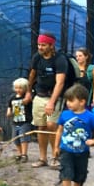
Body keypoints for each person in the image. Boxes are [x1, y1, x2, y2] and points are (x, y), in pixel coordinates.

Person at [53, 84, 94, 186]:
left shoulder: (90, 116)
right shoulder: (65, 114)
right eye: (67, 100)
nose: (68, 103)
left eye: (71, 100)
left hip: (82, 152)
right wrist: (56, 146)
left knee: (79, 175)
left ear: (82, 101)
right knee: (66, 173)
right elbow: (59, 131)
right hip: (66, 150)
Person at [24, 32, 68, 168]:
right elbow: (32, 75)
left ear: (51, 45)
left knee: (52, 126)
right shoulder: (37, 57)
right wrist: (28, 92)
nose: (40, 47)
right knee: (41, 127)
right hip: (39, 95)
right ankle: (42, 158)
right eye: (39, 44)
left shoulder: (60, 59)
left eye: (43, 45)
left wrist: (51, 102)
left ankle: (55, 156)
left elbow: (60, 83)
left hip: (55, 97)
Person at [6, 77, 33, 162]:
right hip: (15, 121)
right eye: (16, 88)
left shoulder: (27, 97)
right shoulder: (12, 98)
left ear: (25, 88)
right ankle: (19, 153)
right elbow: (9, 107)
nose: (18, 90)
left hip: (25, 121)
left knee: (23, 137)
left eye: (20, 88)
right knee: (15, 138)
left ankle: (24, 154)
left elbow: (31, 102)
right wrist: (9, 112)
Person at [75, 47, 94, 112]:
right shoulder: (74, 67)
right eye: (76, 56)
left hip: (87, 101)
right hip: (73, 100)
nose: (78, 58)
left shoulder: (92, 69)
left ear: (86, 57)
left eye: (80, 56)